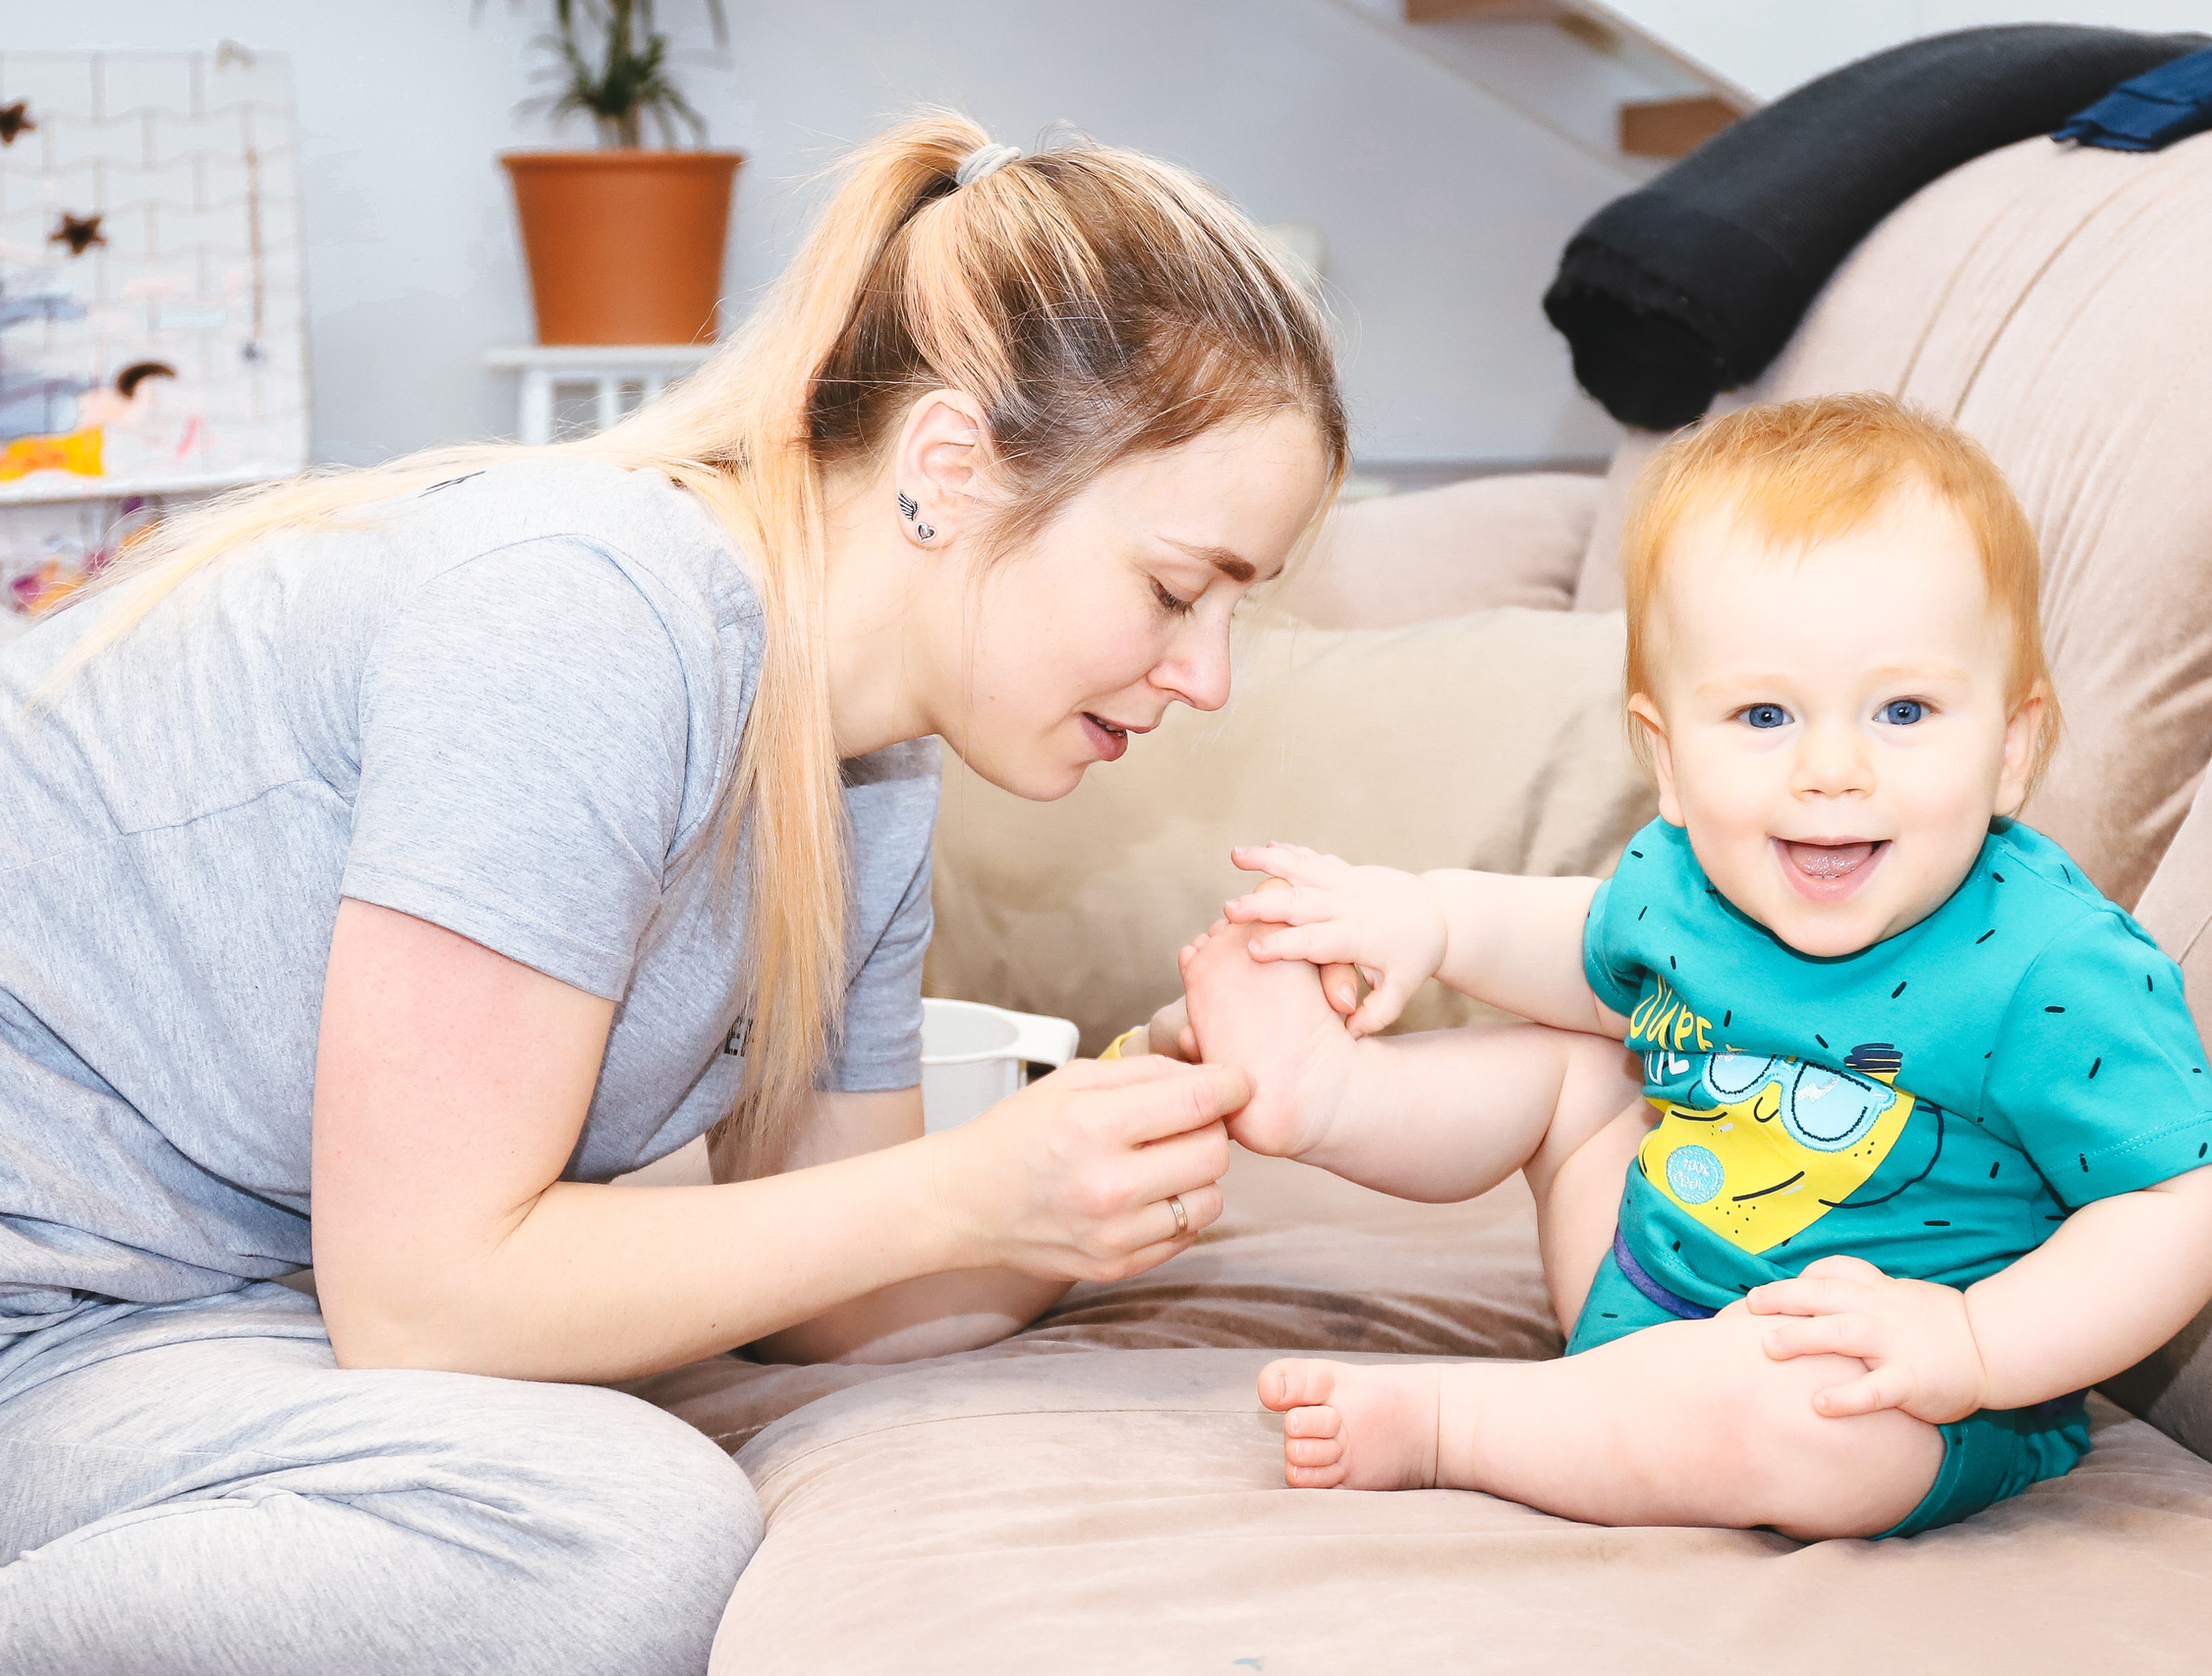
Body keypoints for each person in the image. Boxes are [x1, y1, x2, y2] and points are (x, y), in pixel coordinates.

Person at [0, 115, 1342, 1675]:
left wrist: (1142, 1120)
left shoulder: (871, 776)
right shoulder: (582, 617)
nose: (1208, 676)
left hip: (209, 1308)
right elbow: (426, 1302)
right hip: (57, 1311)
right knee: (617, 1535)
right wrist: (961, 1188)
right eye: (1177, 589)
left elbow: (851, 1299)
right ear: (948, 467)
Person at [1176, 393, 2212, 1541]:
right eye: (1763, 713)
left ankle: (1460, 1424)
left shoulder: (2054, 966)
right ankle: (1331, 1094)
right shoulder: (1686, 879)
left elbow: (2182, 1202)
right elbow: (1582, 952)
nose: (1830, 767)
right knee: (1574, 1066)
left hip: (1887, 1388)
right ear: (1669, 762)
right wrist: (1427, 918)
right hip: (1638, 1283)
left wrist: (1974, 1343)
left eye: (1902, 708)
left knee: (1815, 1429)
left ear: (2011, 748)